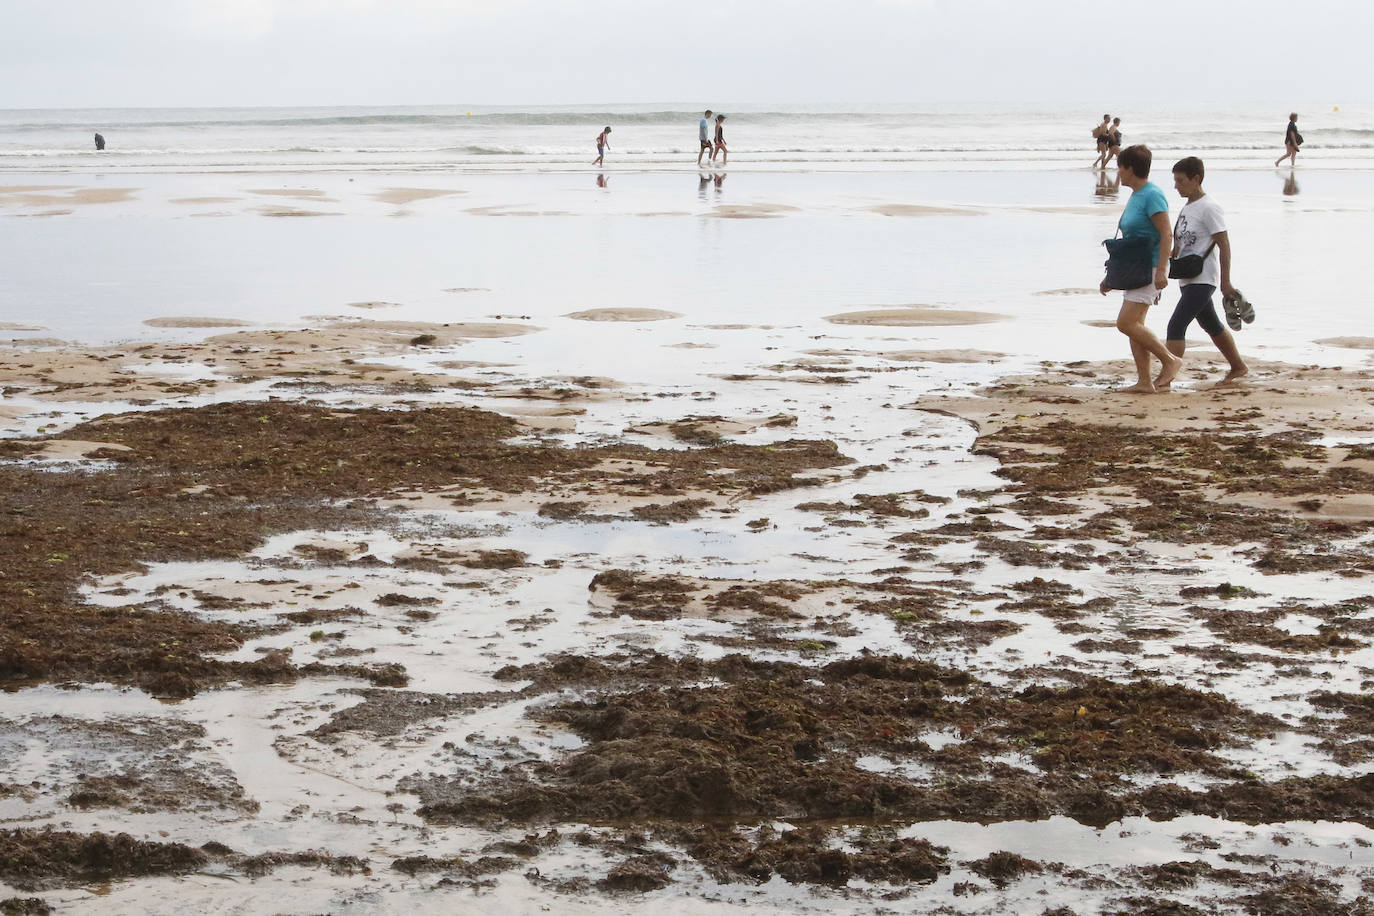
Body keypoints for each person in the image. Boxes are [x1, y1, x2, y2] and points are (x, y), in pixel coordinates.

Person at [1099, 144, 1181, 394]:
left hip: (1150, 267)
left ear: (1130, 169)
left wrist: (1162, 270)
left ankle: (1170, 360)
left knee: (1126, 323)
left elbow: (1166, 233)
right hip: (1135, 268)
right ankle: (1145, 382)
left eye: (1120, 167)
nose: (1118, 172)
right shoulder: (1136, 195)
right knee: (1136, 327)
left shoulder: (1152, 195)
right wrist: (1110, 277)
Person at [1162, 156, 1248, 387]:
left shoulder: (1210, 207)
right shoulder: (1187, 208)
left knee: (1176, 325)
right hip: (1187, 277)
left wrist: (1226, 282)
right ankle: (1238, 366)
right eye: (1175, 181)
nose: (1176, 186)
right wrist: (1161, 270)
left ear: (1196, 179)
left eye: (1180, 181)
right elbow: (1179, 246)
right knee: (1211, 324)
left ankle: (1167, 377)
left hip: (1204, 277)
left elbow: (1224, 244)